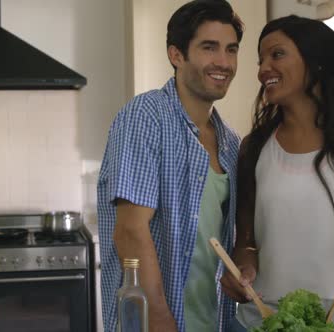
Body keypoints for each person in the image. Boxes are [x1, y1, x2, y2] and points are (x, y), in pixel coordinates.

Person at [221, 15, 334, 332]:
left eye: (276, 54)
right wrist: (243, 270)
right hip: (264, 320)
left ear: (316, 61)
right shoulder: (253, 147)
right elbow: (247, 242)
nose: (263, 68)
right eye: (260, 59)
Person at [97, 1, 245, 331]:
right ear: (176, 55)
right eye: (209, 48)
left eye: (231, 49)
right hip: (158, 323)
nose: (224, 62)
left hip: (210, 320)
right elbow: (130, 231)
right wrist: (160, 320)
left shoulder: (231, 142)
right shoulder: (145, 116)